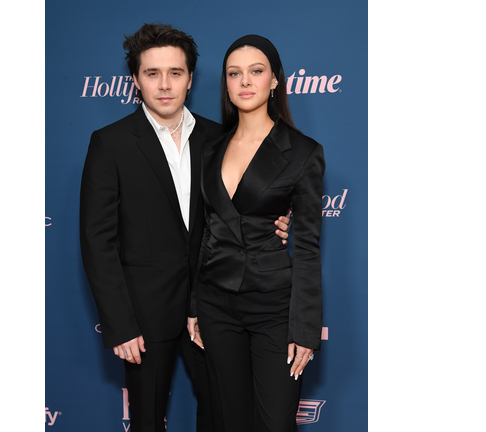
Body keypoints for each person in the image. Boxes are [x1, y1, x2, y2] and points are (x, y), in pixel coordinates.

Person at [79, 24, 290, 432]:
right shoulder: (111, 143)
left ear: (190, 79)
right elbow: (96, 239)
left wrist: (276, 221)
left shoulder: (219, 138)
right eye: (152, 73)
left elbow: (244, 208)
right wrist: (120, 323)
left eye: (175, 73)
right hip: (143, 314)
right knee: (145, 420)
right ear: (136, 80)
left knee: (223, 415)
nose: (164, 85)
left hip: (215, 306)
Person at [188, 35, 325, 432]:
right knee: (230, 421)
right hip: (216, 305)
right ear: (226, 85)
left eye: (256, 71)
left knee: (274, 424)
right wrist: (196, 303)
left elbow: (308, 247)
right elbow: (206, 231)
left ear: (275, 81)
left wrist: (305, 329)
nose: (245, 81)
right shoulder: (210, 149)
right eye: (235, 73)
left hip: (273, 309)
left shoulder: (302, 152)